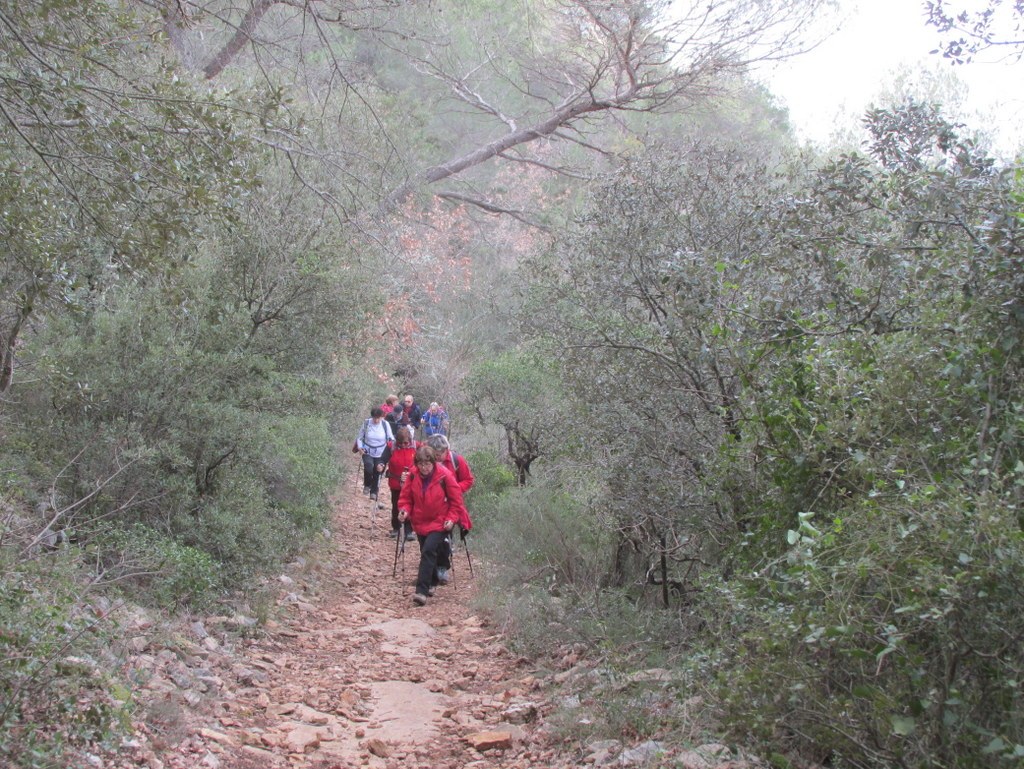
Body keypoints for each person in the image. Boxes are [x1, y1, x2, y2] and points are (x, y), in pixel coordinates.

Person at [398, 446, 469, 606]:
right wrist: (404, 511)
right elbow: (406, 499)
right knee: (427, 551)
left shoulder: (445, 475)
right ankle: (433, 580)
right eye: (421, 464)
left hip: (440, 521)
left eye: (427, 464)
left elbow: (456, 501)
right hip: (420, 521)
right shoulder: (412, 476)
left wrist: (451, 519)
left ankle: (421, 591)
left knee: (428, 551)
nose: (424, 468)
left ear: (433, 463)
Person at [385, 427, 417, 541]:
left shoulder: (416, 446)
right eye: (401, 443)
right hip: (395, 482)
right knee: (396, 504)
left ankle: (409, 530)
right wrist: (380, 465)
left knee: (410, 505)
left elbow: (422, 461)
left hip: (412, 482)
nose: (404, 445)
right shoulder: (391, 447)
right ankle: (396, 528)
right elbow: (383, 458)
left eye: (406, 442)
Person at [356, 407, 393, 500]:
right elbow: (360, 437)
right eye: (374, 418)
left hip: (381, 451)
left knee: (378, 470)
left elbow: (391, 437)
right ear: (372, 417)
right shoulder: (366, 423)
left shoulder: (385, 424)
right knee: (368, 466)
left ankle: (374, 491)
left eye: (378, 418)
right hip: (367, 449)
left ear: (381, 417)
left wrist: (392, 448)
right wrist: (360, 447)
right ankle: (367, 484)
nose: (376, 420)